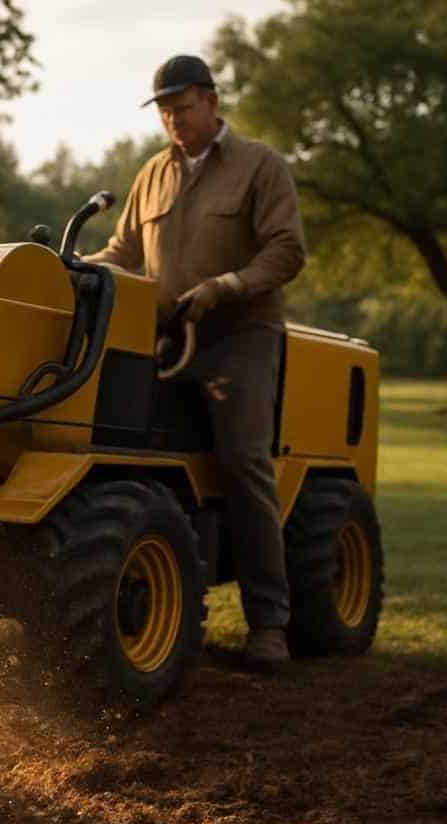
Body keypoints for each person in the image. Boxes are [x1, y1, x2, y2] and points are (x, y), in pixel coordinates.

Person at [83, 54, 306, 668]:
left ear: (211, 101)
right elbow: (124, 250)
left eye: (183, 107)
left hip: (240, 337)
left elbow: (287, 250)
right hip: (162, 340)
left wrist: (225, 286)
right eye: (164, 111)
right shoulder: (153, 173)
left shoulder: (261, 165)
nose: (174, 120)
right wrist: (74, 268)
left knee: (241, 461)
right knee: (131, 451)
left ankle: (269, 626)